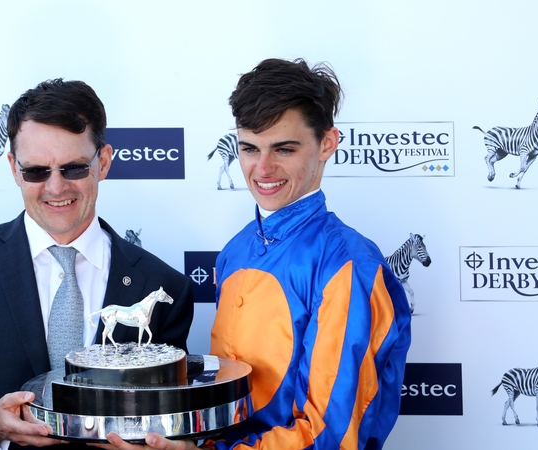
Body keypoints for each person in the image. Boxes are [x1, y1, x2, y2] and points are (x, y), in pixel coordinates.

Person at [102, 58, 411, 450]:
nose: (262, 169)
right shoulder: (234, 251)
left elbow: (329, 435)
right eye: (249, 148)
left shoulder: (349, 264)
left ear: (327, 144)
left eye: (284, 148)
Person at [0, 79, 195, 450]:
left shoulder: (163, 286)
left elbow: (170, 426)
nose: (55, 187)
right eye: (36, 171)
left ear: (104, 162)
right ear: (14, 169)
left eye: (74, 168)